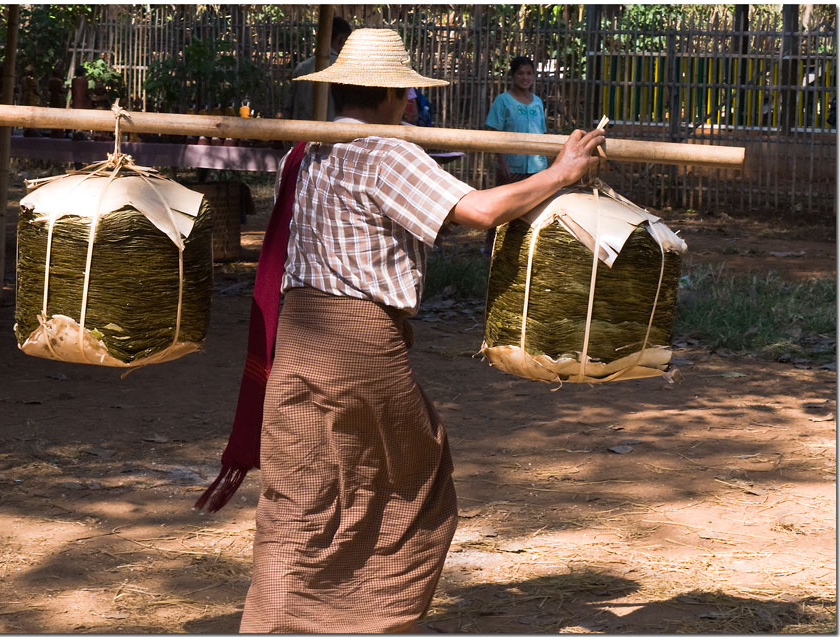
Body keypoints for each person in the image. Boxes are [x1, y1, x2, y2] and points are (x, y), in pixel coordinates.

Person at [204, 28, 603, 633]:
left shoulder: (314, 147)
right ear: (392, 91)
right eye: (406, 94)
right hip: (359, 342)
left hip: (299, 343)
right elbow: (482, 212)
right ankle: (364, 617)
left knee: (300, 498)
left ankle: (276, 623)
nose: (411, 105)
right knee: (413, 481)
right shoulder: (385, 153)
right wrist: (561, 172)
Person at [483, 55, 548, 252]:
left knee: (534, 207)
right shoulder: (503, 101)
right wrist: (502, 163)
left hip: (537, 166)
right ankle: (492, 247)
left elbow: (543, 133)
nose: (525, 77)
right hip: (512, 165)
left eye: (529, 73)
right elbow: (495, 133)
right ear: (512, 76)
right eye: (520, 73)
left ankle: (526, 247)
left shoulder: (537, 102)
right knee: (504, 206)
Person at [281, 15, 352, 121]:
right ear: (341, 40)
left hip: (300, 134)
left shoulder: (301, 68)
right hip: (333, 134)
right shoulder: (346, 70)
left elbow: (287, 109)